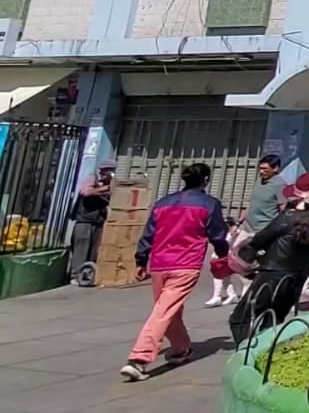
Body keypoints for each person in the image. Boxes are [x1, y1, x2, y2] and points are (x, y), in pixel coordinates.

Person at [121, 162, 230, 382]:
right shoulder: (209, 205)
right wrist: (223, 254)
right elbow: (218, 235)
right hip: (186, 264)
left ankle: (181, 348)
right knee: (165, 311)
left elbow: (148, 234)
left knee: (167, 309)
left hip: (160, 263)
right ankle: (139, 358)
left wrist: (141, 260)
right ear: (206, 180)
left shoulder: (163, 203)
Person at [229, 173, 309, 343]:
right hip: (297, 277)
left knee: (239, 318)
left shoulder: (287, 218)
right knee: (272, 322)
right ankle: (266, 354)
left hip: (273, 275)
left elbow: (260, 240)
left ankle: (247, 355)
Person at [210, 154, 283, 307]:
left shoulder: (280, 186)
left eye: (265, 169)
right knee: (230, 259)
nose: (261, 172)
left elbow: (283, 210)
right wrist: (238, 222)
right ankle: (233, 292)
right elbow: (251, 205)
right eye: (260, 168)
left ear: (275, 169)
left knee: (249, 263)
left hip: (262, 231)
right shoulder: (259, 182)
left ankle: (249, 297)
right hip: (247, 228)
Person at [70, 164, 114, 284]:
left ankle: (87, 274)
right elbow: (85, 192)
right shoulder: (92, 178)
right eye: (109, 172)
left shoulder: (107, 185)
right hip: (84, 220)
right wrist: (105, 188)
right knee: (81, 249)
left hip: (98, 221)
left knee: (94, 250)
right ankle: (75, 275)